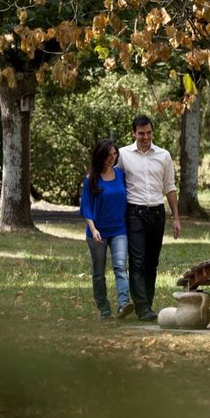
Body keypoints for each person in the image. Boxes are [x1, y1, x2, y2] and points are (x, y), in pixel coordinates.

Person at [117, 115, 181, 321]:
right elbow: (112, 179)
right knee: (137, 261)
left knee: (152, 262)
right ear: (134, 133)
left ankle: (147, 303)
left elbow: (169, 187)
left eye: (149, 133)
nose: (145, 137)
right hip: (134, 213)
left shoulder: (163, 156)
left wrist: (176, 218)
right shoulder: (123, 155)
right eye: (141, 133)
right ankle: (142, 308)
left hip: (157, 213)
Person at [80, 139, 135, 320]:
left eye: (114, 154)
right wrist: (93, 229)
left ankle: (123, 304)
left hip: (119, 229)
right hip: (98, 231)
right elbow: (86, 207)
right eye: (109, 155)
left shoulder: (120, 175)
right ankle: (104, 308)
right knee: (99, 271)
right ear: (100, 156)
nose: (112, 158)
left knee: (120, 267)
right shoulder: (91, 179)